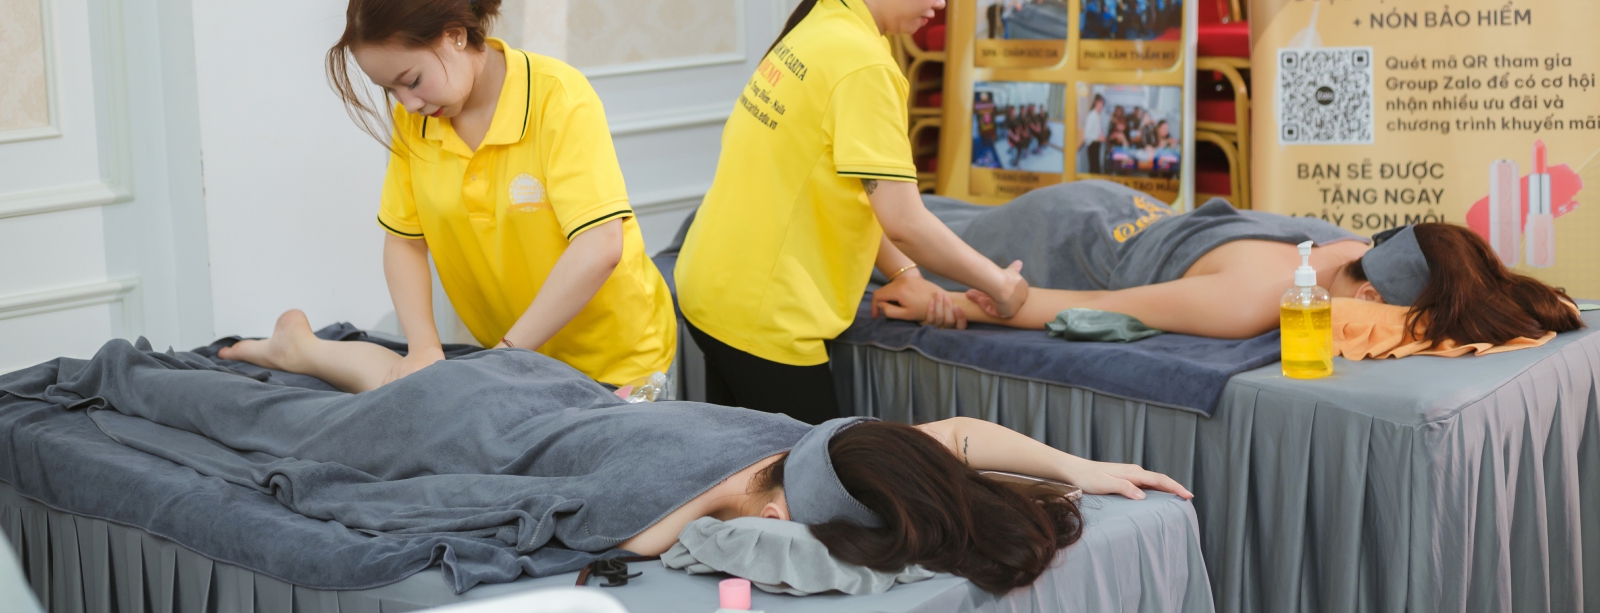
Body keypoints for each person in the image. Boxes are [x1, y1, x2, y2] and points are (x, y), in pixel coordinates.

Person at [217, 310, 1190, 594]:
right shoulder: (665, 516)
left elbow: (957, 440)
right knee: (337, 416)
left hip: (548, 387)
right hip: (500, 418)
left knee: (401, 381)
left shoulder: (818, 446)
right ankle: (296, 354)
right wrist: (1076, 470)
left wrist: (1080, 470)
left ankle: (300, 349)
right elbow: (571, 527)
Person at [673, 0, 1031, 423]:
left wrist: (906, 275)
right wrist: (1000, 284)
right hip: (763, 315)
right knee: (813, 473)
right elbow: (905, 221)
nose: (941, 2)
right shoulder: (863, 64)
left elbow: (855, 189)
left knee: (744, 469)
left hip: (710, 287)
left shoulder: (822, 22)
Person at [222, 0, 676, 390]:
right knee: (421, 390)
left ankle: (300, 348)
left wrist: (505, 355)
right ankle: (299, 347)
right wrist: (424, 347)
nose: (408, 103)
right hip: (518, 362)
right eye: (390, 90)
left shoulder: (557, 98)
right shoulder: (416, 122)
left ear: (455, 36)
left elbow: (600, 247)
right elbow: (404, 241)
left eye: (412, 80)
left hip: (618, 364)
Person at [876, 181, 1586, 345]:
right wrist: (941, 299)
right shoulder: (1250, 299)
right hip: (1059, 237)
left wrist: (1537, 303)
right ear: (1369, 296)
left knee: (931, 209)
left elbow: (1475, 288)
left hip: (1117, 204)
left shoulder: (1351, 247)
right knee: (888, 229)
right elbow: (1079, 308)